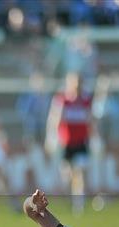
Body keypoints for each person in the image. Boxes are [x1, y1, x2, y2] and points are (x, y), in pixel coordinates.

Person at [45, 72, 98, 214]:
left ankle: (78, 204)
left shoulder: (86, 101)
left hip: (81, 143)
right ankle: (71, 200)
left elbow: (91, 120)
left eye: (79, 83)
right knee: (67, 177)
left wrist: (96, 139)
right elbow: (54, 119)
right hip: (66, 144)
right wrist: (51, 138)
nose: (77, 86)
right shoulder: (62, 100)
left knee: (79, 172)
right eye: (74, 83)